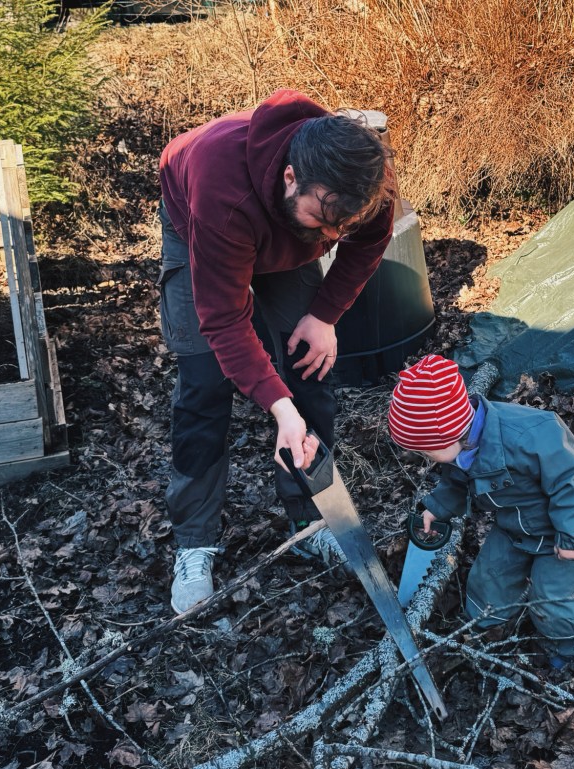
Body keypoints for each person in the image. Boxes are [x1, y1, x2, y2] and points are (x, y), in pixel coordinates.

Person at [157, 89, 395, 613]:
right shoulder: (221, 191)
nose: (333, 237)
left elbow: (368, 241)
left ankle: (310, 517)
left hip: (278, 237)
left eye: (343, 226)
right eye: (324, 220)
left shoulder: (360, 179)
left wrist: (325, 314)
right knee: (205, 383)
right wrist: (278, 408)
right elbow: (223, 319)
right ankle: (195, 540)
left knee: (308, 363)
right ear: (291, 178)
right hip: (199, 222)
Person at [387, 354, 574, 668]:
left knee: (557, 602)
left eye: (426, 450)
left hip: (573, 531)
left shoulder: (529, 436)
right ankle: (482, 631)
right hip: (517, 527)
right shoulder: (461, 446)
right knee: (488, 579)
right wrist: (436, 509)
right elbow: (457, 481)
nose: (426, 457)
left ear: (449, 431)